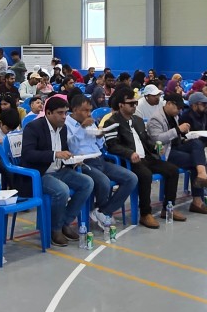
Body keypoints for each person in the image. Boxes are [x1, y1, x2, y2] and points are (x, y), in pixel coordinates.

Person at [20, 94, 91, 244]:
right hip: (39, 173)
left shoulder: (63, 129)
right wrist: (55, 154)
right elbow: (28, 154)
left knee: (87, 183)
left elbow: (63, 151)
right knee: (62, 190)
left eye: (65, 113)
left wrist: (73, 160)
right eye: (60, 113)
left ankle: (65, 222)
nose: (64, 116)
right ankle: (55, 229)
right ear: (48, 113)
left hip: (59, 170)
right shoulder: (33, 127)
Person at [141, 85, 207, 213]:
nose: (179, 111)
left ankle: (201, 174)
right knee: (195, 162)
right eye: (178, 108)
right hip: (165, 152)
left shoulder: (174, 116)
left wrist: (185, 137)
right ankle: (197, 201)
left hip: (176, 146)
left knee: (196, 143)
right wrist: (177, 130)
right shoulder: (156, 119)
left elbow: (176, 137)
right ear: (169, 104)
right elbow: (156, 140)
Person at [67, 96, 137, 230]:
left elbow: (99, 145)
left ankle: (103, 211)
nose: (89, 114)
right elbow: (71, 146)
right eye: (85, 110)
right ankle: (102, 212)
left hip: (99, 159)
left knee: (131, 178)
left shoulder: (90, 122)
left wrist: (100, 136)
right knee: (104, 182)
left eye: (90, 110)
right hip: (82, 163)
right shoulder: (66, 124)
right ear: (75, 110)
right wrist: (82, 128)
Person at [99, 94, 170, 225]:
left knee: (172, 170)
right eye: (131, 103)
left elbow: (146, 141)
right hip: (129, 161)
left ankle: (168, 208)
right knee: (146, 175)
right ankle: (145, 213)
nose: (134, 106)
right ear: (121, 105)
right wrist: (129, 153)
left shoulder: (138, 120)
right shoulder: (112, 122)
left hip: (146, 157)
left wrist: (155, 148)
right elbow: (112, 146)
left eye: (135, 103)